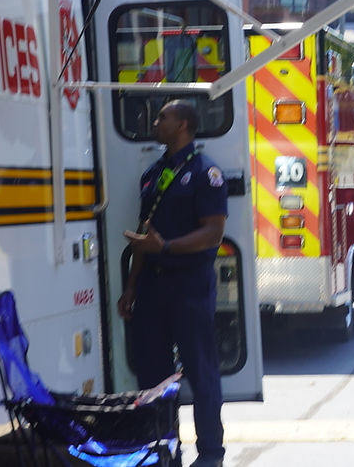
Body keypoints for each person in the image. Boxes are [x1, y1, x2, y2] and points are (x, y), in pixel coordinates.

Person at [118, 100, 228, 467]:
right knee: (154, 379)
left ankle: (211, 453)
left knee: (201, 372)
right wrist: (131, 286)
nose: (155, 121)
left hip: (190, 287)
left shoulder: (205, 172)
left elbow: (213, 233)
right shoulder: (152, 174)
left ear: (183, 125)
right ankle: (164, 451)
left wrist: (166, 246)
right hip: (152, 288)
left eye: (163, 116)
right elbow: (144, 240)